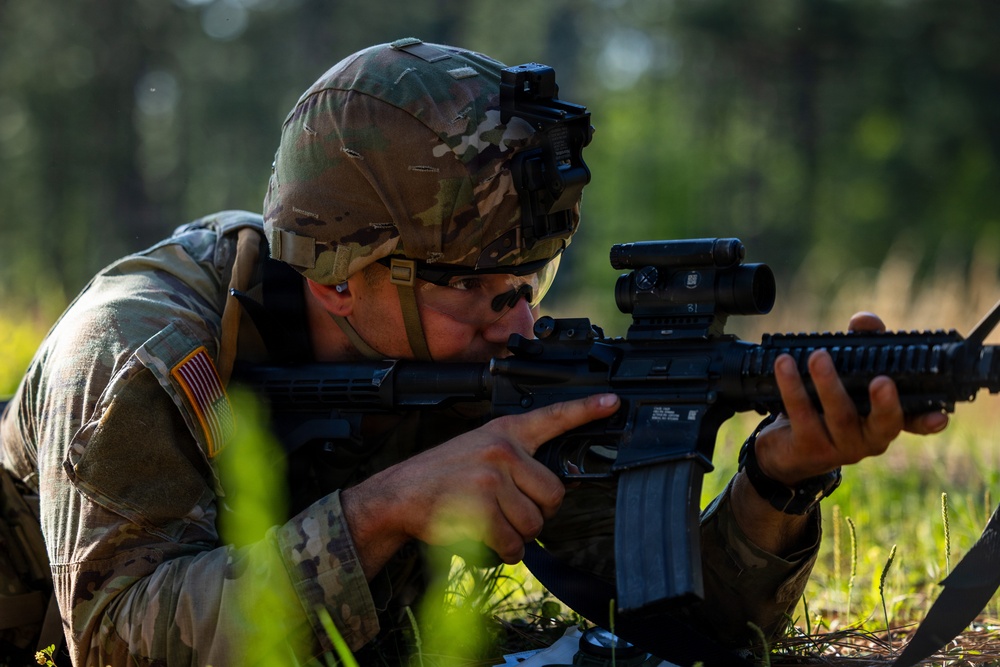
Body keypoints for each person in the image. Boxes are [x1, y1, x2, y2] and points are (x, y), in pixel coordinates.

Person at [0, 38, 947, 666]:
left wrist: (779, 480)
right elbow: (115, 639)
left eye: (529, 284)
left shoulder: (476, 371)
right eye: (484, 291)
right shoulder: (137, 349)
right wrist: (383, 510)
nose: (520, 323)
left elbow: (686, 625)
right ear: (340, 277)